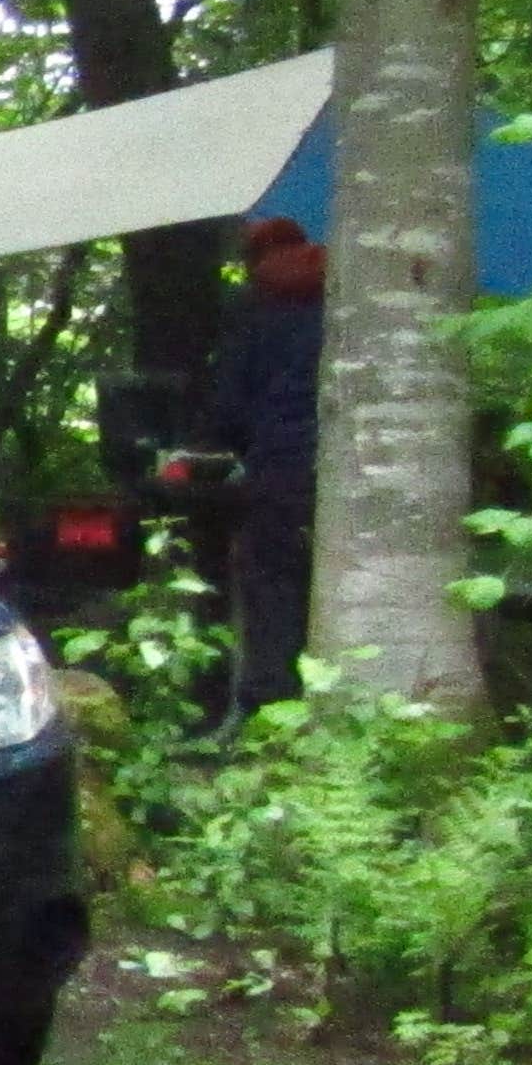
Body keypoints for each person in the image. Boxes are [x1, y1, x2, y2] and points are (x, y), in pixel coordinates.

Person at [206, 213, 325, 715]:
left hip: (278, 468)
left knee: (273, 587)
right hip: (343, 464)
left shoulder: (254, 307)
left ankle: (270, 708)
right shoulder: (340, 296)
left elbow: (229, 407)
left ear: (254, 258)